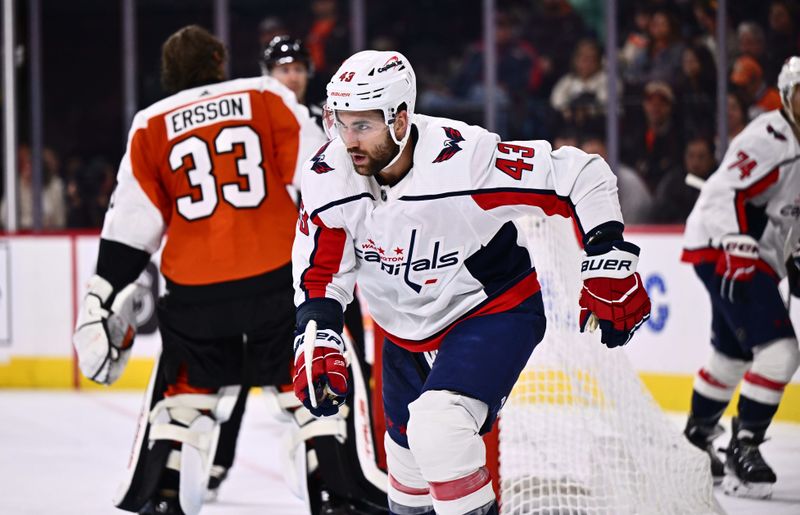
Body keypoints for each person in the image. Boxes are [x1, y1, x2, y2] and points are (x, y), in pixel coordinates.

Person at [291, 50, 652, 515]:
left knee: (438, 428)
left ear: (401, 119)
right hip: (403, 332)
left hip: (490, 309)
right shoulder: (328, 176)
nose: (348, 140)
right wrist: (317, 333)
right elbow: (322, 272)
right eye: (340, 122)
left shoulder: (464, 160)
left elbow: (580, 173)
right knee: (406, 482)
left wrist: (608, 256)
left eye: (363, 125)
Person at [71, 25, 331, 515]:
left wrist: (98, 296)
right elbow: (322, 178)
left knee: (185, 399)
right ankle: (334, 485)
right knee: (307, 393)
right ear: (218, 59)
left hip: (194, 292)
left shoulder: (151, 123)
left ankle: (168, 494)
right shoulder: (264, 96)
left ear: (166, 72)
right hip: (275, 276)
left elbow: (131, 225)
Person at [208, 33, 390, 514]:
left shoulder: (328, 121)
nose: (291, 75)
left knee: (350, 362)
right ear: (266, 75)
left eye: (297, 67)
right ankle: (216, 463)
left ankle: (352, 472)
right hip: (272, 265)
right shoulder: (252, 125)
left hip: (332, 258)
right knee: (242, 370)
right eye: (281, 68)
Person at [680, 56, 800, 499]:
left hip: (753, 256)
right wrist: (734, 239)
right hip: (724, 250)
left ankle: (695, 441)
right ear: (787, 97)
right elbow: (723, 189)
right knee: (780, 352)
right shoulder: (771, 135)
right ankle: (743, 448)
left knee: (731, 356)